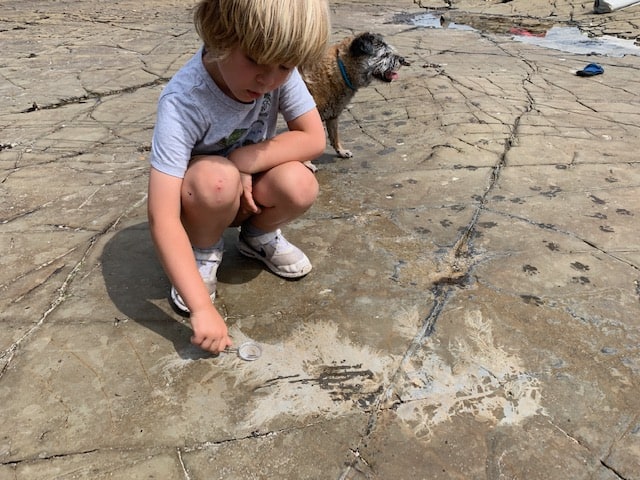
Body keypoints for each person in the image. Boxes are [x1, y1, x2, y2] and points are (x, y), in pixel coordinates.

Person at [147, 0, 330, 354]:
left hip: (248, 195)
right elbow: (162, 216)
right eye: (254, 61)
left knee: (301, 183)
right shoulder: (184, 100)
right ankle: (202, 251)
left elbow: (313, 138)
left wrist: (244, 159)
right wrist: (201, 308)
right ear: (219, 36)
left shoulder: (278, 73)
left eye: (284, 66)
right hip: (203, 203)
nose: (268, 80)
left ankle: (258, 236)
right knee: (216, 180)